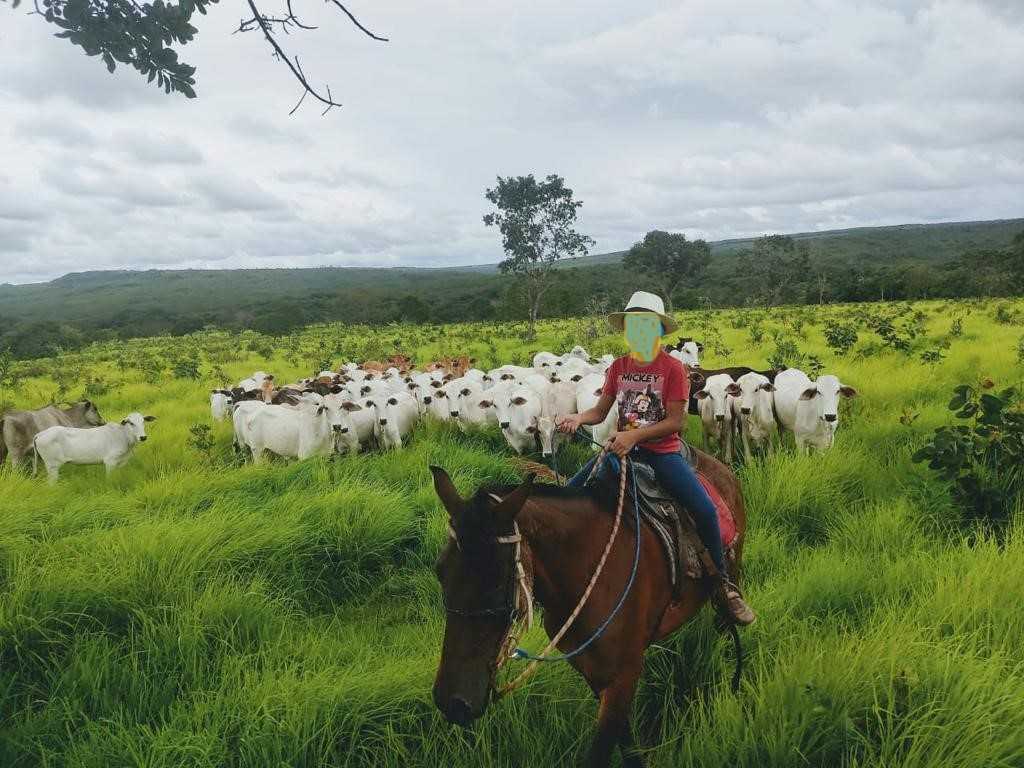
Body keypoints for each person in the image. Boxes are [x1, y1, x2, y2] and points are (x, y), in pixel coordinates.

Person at [557, 290, 756, 626]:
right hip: (620, 450)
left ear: (660, 331)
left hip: (662, 453)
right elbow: (600, 410)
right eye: (633, 325)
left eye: (646, 325)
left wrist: (634, 434)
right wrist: (578, 418)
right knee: (567, 499)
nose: (639, 332)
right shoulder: (619, 367)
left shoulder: (673, 369)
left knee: (705, 511)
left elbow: (677, 422)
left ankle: (723, 584)